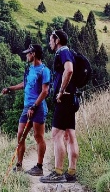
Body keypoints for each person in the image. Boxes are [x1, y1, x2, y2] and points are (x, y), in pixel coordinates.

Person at [2, 44, 50, 176]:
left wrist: (34, 106)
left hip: (38, 107)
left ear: (33, 54)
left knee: (38, 136)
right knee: (20, 135)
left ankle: (39, 167)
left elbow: (45, 91)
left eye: (28, 53)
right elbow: (25, 84)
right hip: (26, 107)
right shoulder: (29, 69)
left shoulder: (44, 70)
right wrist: (10, 89)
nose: (26, 55)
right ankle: (19, 165)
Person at [40, 29, 79, 183]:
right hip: (71, 99)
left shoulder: (63, 52)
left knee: (56, 134)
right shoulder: (68, 52)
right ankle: (71, 172)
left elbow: (69, 70)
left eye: (51, 39)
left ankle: (58, 172)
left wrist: (61, 91)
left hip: (64, 99)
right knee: (70, 135)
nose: (49, 42)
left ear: (57, 40)